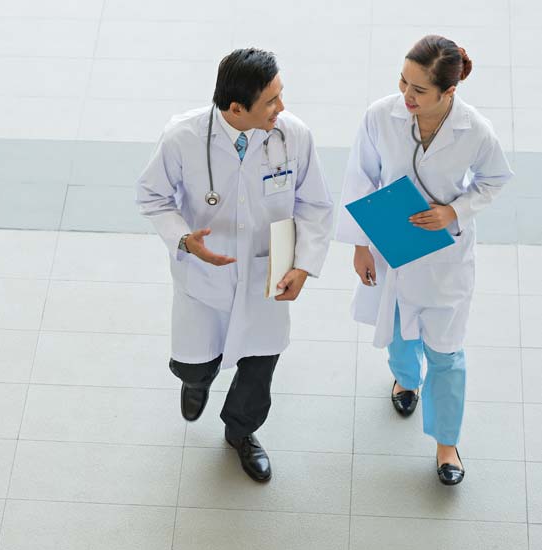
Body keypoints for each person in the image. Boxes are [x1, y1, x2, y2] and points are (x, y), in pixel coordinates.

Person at [136, 48, 333, 482]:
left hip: (269, 270)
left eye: (280, 95)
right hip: (205, 272)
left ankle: (241, 433)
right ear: (237, 108)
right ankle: (197, 380)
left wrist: (303, 264)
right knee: (194, 362)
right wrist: (184, 240)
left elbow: (315, 205)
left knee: (260, 365)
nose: (281, 107)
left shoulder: (293, 135)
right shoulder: (183, 137)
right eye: (271, 101)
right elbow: (152, 196)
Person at [335, 35, 513, 485]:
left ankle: (446, 443)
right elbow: (360, 177)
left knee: (446, 352)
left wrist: (454, 211)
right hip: (391, 245)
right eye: (403, 82)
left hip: (445, 256)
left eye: (418, 90)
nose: (406, 96)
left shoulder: (475, 130)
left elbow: (493, 180)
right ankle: (405, 380)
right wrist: (359, 245)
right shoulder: (380, 116)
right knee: (398, 329)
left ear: (448, 92)